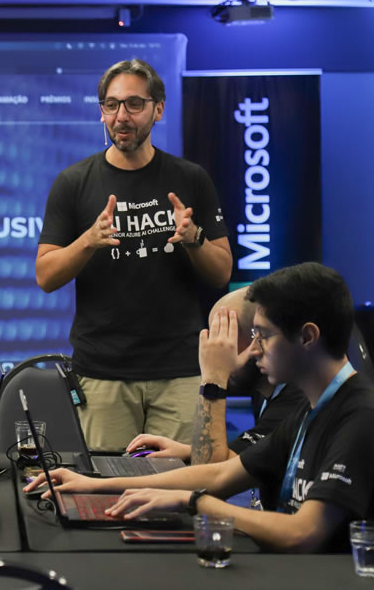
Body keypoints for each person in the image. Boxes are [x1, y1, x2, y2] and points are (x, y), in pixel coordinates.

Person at [26, 262, 374, 553]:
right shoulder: (311, 410)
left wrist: (196, 502)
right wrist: (93, 484)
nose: (254, 350)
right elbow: (221, 475)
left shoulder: (360, 415)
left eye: (264, 335)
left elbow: (303, 533)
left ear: (308, 337)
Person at [35, 58, 232, 451]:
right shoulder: (73, 182)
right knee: (108, 485)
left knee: (180, 484)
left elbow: (222, 272)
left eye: (134, 104)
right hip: (102, 375)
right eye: (111, 105)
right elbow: (46, 276)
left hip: (179, 371)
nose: (121, 116)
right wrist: (88, 241)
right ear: (101, 112)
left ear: (158, 109)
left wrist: (194, 238)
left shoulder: (190, 178)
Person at [126, 287, 308, 465]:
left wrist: (214, 379)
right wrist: (189, 451)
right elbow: (239, 459)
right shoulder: (265, 387)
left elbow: (212, 469)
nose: (215, 350)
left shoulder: (296, 398)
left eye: (223, 339)